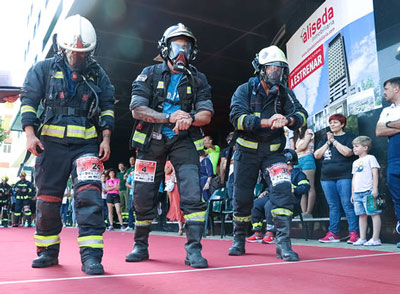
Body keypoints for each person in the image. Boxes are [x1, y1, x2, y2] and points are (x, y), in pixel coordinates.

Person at [20, 15, 115, 274]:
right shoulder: (44, 69)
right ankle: (48, 252)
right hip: (51, 145)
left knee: (90, 198)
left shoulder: (98, 74)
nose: (77, 57)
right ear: (62, 47)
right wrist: (30, 134)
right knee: (48, 201)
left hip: (86, 146)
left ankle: (91, 257)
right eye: (73, 52)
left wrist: (105, 138)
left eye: (83, 53)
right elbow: (28, 101)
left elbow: (107, 107)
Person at [127, 23, 213, 268]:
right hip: (150, 141)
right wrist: (169, 117)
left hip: (183, 142)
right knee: (143, 196)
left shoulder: (198, 78)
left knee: (193, 195)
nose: (181, 52)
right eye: (177, 46)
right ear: (165, 48)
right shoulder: (149, 74)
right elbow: (137, 109)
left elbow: (206, 114)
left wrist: (188, 118)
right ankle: (140, 246)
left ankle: (194, 250)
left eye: (186, 47)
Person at [229, 45, 307, 261]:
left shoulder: (284, 93)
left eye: (280, 69)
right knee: (242, 198)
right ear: (261, 69)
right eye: (271, 69)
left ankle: (283, 244)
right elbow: (237, 119)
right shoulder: (244, 90)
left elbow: (302, 114)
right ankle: (239, 239)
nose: (276, 73)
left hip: (274, 154)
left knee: (283, 190)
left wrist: (288, 120)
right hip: (246, 153)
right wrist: (268, 122)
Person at [247, 149, 310, 244]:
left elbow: (305, 187)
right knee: (256, 203)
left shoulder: (298, 174)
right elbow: (273, 187)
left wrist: (294, 189)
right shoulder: (278, 173)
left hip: (290, 202)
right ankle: (257, 232)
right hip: (275, 197)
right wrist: (266, 191)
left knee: (270, 204)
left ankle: (270, 232)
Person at [314, 113, 359, 244]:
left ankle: (354, 233)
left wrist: (334, 141)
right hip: (326, 177)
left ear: (342, 124)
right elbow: (317, 155)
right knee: (333, 206)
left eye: (335, 122)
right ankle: (333, 233)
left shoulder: (349, 137)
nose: (332, 125)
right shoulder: (324, 139)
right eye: (331, 122)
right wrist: (328, 142)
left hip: (344, 175)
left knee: (347, 205)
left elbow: (348, 152)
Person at [376, 77, 400, 248]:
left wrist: (389, 126)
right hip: (393, 158)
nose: (384, 92)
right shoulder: (386, 111)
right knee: (398, 198)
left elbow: (386, 128)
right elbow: (379, 130)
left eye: (386, 88)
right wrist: (392, 124)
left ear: (396, 89)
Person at [350, 136, 381, 246]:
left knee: (373, 214)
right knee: (361, 215)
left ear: (365, 147)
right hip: (357, 192)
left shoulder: (370, 158)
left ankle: (375, 238)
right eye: (353, 146)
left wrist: (374, 188)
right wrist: (352, 193)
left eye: (356, 146)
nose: (354, 148)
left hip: (368, 191)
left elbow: (375, 173)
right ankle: (362, 238)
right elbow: (354, 178)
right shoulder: (355, 162)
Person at [293, 124, 316, 218]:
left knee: (310, 187)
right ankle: (303, 212)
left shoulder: (308, 131)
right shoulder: (297, 135)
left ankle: (309, 212)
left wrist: (294, 152)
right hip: (298, 160)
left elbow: (303, 146)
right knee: (301, 187)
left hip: (307, 158)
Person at [165, 161, 185, 235]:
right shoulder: (169, 162)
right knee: (176, 205)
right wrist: (172, 167)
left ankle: (183, 224)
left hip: (183, 184)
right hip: (175, 186)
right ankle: (180, 226)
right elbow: (166, 172)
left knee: (183, 204)